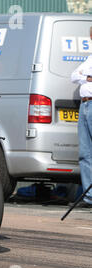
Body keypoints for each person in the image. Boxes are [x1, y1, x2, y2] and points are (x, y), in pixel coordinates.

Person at [71, 26, 92, 208]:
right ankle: (89, 197)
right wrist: (87, 77)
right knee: (85, 154)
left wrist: (83, 77)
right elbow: (73, 76)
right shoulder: (89, 58)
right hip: (85, 105)